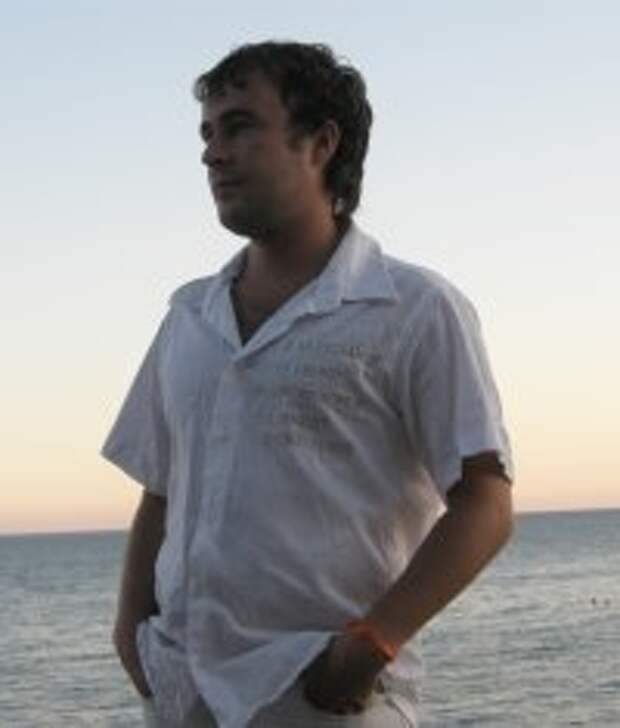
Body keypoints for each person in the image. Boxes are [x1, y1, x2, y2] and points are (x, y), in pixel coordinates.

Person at [103, 41, 514, 728]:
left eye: (240, 127)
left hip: (325, 696)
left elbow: (485, 501)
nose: (212, 154)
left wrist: (372, 644)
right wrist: (130, 628)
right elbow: (161, 487)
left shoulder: (412, 308)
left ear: (322, 142)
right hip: (182, 697)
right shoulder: (189, 317)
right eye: (207, 134)